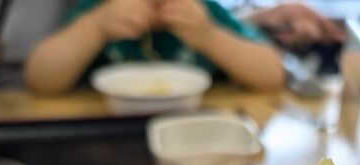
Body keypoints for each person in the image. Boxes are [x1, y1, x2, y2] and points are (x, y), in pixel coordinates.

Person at [25, 0, 285, 95]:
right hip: (113, 136)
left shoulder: (205, 12)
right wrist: (95, 28)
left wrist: (209, 37)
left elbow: (272, 74)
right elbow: (40, 79)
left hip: (197, 134)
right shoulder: (98, 9)